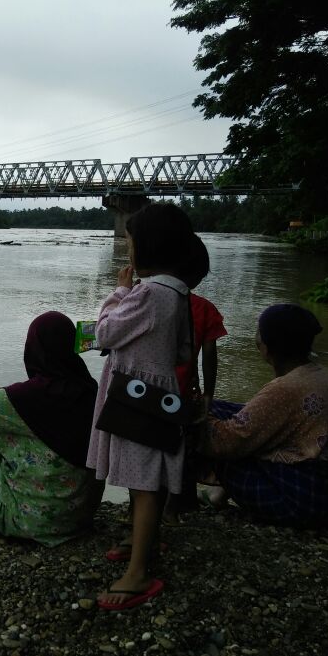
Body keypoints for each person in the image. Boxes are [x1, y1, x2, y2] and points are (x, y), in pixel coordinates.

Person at [87, 202, 201, 611]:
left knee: (144, 485)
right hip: (161, 392)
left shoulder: (148, 293)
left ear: (148, 246)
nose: (129, 251)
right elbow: (185, 350)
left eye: (131, 243)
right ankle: (143, 542)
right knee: (146, 477)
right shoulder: (179, 292)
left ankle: (138, 575)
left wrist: (119, 291)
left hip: (137, 397)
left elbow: (103, 333)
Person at [0, 311, 104, 546]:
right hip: (78, 519)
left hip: (25, 522)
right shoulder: (90, 390)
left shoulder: (27, 398)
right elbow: (19, 394)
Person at [197, 304, 328, 527]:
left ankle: (176, 499)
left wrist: (190, 416)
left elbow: (224, 443)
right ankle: (218, 495)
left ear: (267, 347)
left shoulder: (285, 390)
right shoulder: (324, 375)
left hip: (302, 504)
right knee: (217, 409)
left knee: (200, 426)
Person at [163, 237, 228, 523]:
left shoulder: (144, 301)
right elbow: (209, 356)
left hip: (145, 392)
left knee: (149, 450)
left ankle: (141, 509)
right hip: (183, 394)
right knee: (182, 451)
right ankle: (178, 505)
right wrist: (208, 396)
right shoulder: (204, 308)